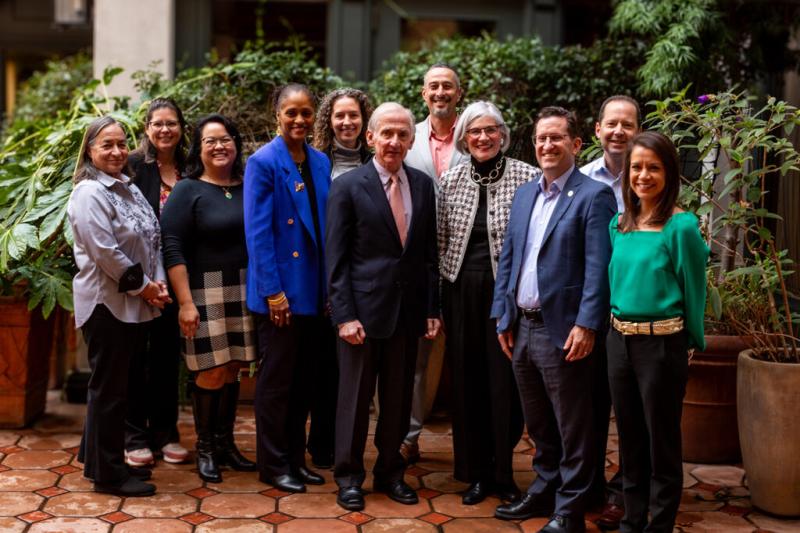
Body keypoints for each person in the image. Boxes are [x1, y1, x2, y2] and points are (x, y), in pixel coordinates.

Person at [491, 106, 616, 533]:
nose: (547, 145)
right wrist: (502, 315)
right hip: (522, 327)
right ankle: (545, 487)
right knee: (538, 420)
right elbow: (509, 258)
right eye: (541, 138)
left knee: (573, 425)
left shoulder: (593, 195)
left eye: (557, 138)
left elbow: (599, 267)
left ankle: (570, 508)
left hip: (563, 330)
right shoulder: (525, 193)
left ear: (576, 144)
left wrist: (587, 324)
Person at [326, 102, 440, 512]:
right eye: (386, 133)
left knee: (397, 401)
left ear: (412, 140)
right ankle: (349, 478)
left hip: (407, 314)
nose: (394, 141)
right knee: (353, 402)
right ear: (370, 137)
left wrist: (432, 308)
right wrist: (344, 316)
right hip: (361, 314)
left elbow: (428, 255)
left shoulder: (424, 186)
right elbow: (335, 259)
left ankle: (391, 472)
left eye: (402, 134)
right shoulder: (347, 186)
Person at [606, 131, 708, 533]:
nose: (643, 175)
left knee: (661, 442)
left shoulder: (681, 227)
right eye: (636, 167)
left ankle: (659, 525)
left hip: (662, 344)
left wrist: (689, 344)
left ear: (669, 173)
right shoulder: (621, 224)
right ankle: (632, 521)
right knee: (629, 441)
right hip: (619, 341)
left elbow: (694, 289)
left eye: (653, 167)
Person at [437, 101, 538, 505]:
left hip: (505, 294)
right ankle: (476, 474)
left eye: (490, 130)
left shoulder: (526, 177)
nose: (482, 137)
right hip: (460, 291)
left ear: (503, 135)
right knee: (467, 383)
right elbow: (440, 239)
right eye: (474, 131)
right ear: (463, 137)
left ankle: (503, 472)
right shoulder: (450, 179)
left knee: (505, 384)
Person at [68, 116, 170, 497]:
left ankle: (99, 459)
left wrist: (156, 281)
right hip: (106, 304)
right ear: (90, 151)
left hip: (135, 301)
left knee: (118, 388)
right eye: (106, 145)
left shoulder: (126, 187)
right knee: (109, 391)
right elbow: (106, 254)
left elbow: (152, 238)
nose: (115, 151)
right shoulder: (89, 193)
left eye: (120, 143)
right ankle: (108, 476)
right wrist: (146, 288)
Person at [244, 83, 333, 493]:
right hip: (280, 292)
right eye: (291, 113)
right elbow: (258, 234)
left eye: (306, 113)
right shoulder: (263, 162)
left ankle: (296, 460)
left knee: (304, 383)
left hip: (314, 291)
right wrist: (272, 293)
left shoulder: (318, 161)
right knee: (277, 383)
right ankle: (273, 463)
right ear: (277, 115)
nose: (299, 120)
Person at [160, 114, 257, 484]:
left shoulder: (249, 185)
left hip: (245, 286)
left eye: (226, 138)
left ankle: (226, 445)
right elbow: (172, 248)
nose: (220, 146)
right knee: (211, 370)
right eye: (210, 141)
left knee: (233, 367)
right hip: (203, 289)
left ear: (236, 142)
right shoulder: (187, 190)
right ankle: (205, 448)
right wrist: (185, 303)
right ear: (198, 149)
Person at [400, 62, 469, 465]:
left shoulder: (475, 134)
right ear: (423, 94)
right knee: (416, 355)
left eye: (447, 86)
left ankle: (472, 442)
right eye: (433, 87)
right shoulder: (409, 138)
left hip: (465, 262)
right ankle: (407, 435)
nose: (440, 92)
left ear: (458, 93)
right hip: (418, 260)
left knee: (459, 353)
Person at [579, 94, 641, 530]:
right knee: (591, 403)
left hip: (637, 311)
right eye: (611, 124)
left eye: (627, 124)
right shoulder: (581, 180)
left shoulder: (649, 178)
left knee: (633, 408)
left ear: (638, 130)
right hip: (591, 310)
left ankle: (628, 490)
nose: (618, 131)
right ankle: (591, 485)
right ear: (597, 129)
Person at [124, 97, 190, 468]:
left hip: (178, 279)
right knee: (136, 357)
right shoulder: (134, 165)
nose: (165, 130)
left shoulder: (189, 167)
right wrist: (144, 281)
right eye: (158, 123)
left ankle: (167, 431)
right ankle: (135, 433)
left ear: (181, 128)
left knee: (167, 359)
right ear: (147, 128)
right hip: (140, 280)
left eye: (172, 123)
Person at [313, 87, 373, 180]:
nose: (347, 122)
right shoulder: (314, 161)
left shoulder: (375, 163)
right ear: (330, 122)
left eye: (353, 115)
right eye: (339, 116)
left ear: (363, 120)